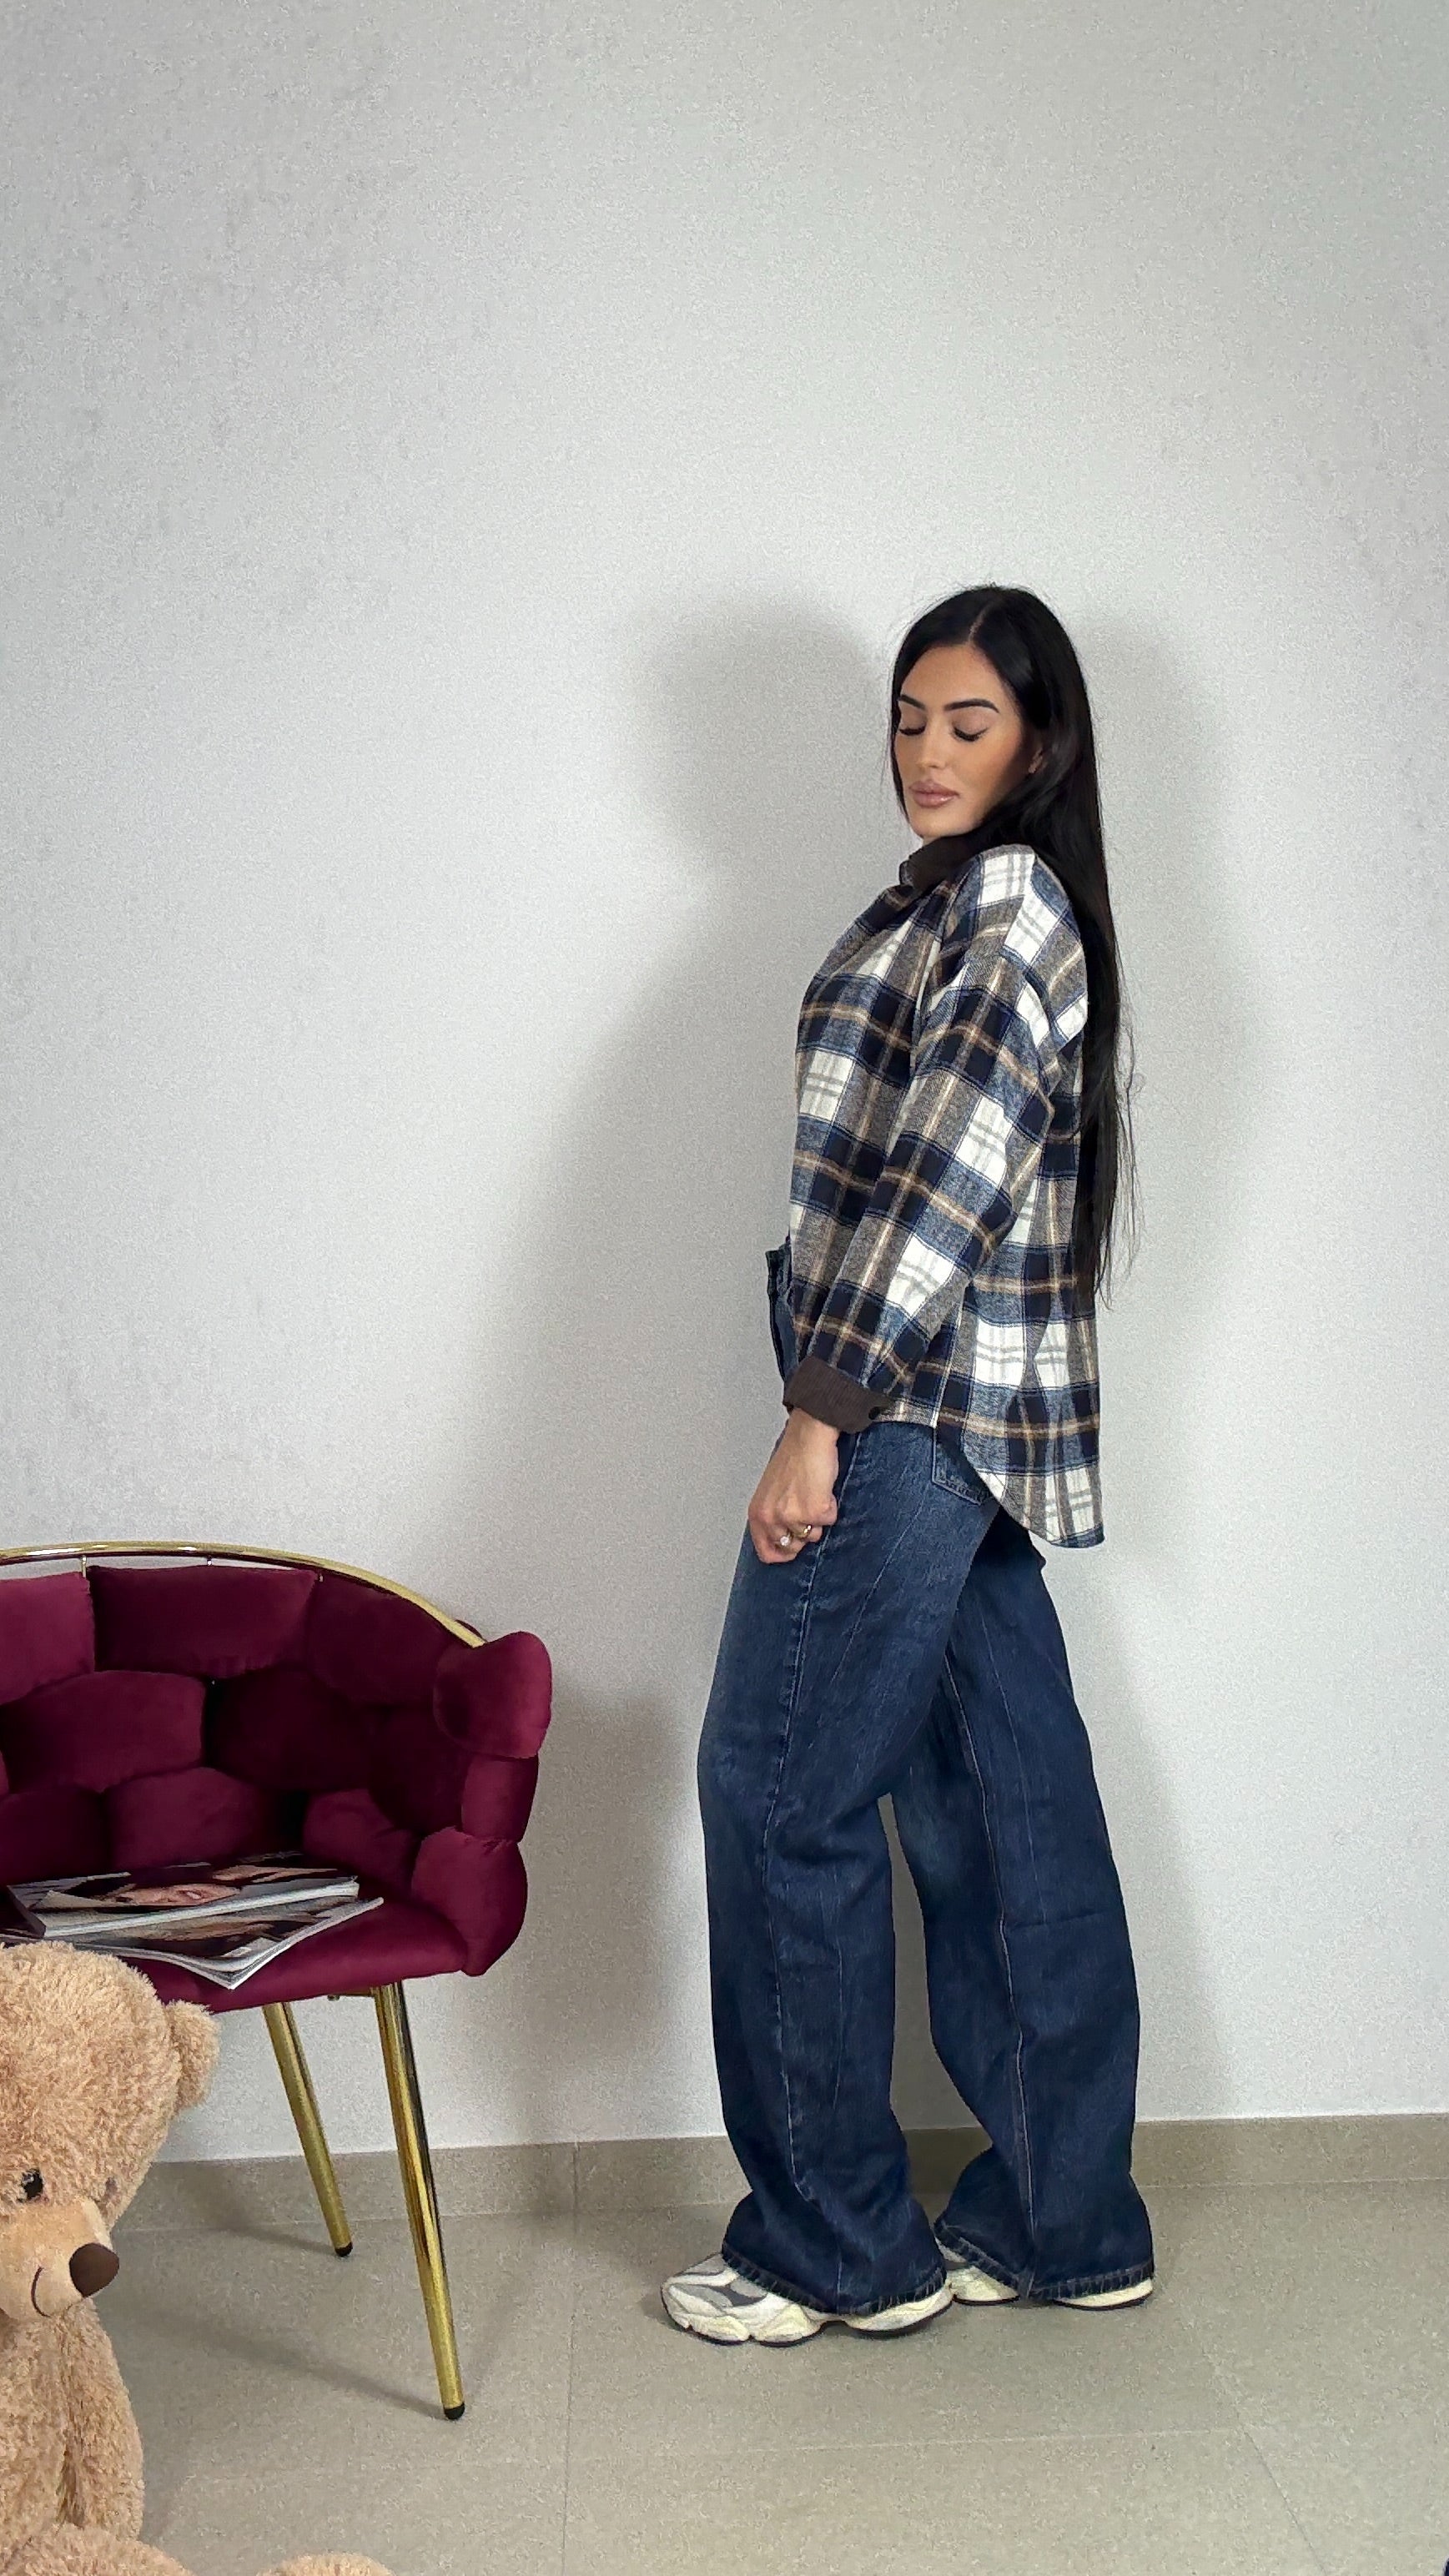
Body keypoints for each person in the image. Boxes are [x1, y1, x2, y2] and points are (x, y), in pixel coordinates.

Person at [663, 584, 1155, 2345]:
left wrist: (821, 1409)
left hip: (900, 1414)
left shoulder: (1003, 902)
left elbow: (944, 1174)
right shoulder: (955, 901)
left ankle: (831, 2247)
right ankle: (1059, 2220)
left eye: (967, 722)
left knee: (777, 1792)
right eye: (906, 717)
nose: (926, 751)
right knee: (1002, 1818)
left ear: (1037, 741)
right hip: (975, 1427)